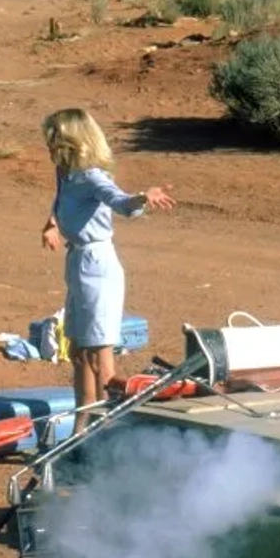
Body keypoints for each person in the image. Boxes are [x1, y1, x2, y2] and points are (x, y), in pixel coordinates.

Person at [40, 108, 174, 414]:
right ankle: (82, 428)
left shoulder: (92, 177)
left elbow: (120, 201)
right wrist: (52, 224)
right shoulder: (66, 173)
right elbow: (60, 201)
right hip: (77, 263)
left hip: (97, 265)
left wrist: (142, 197)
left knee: (100, 362)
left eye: (54, 140)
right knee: (78, 353)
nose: (49, 147)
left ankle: (132, 410)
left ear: (72, 142)